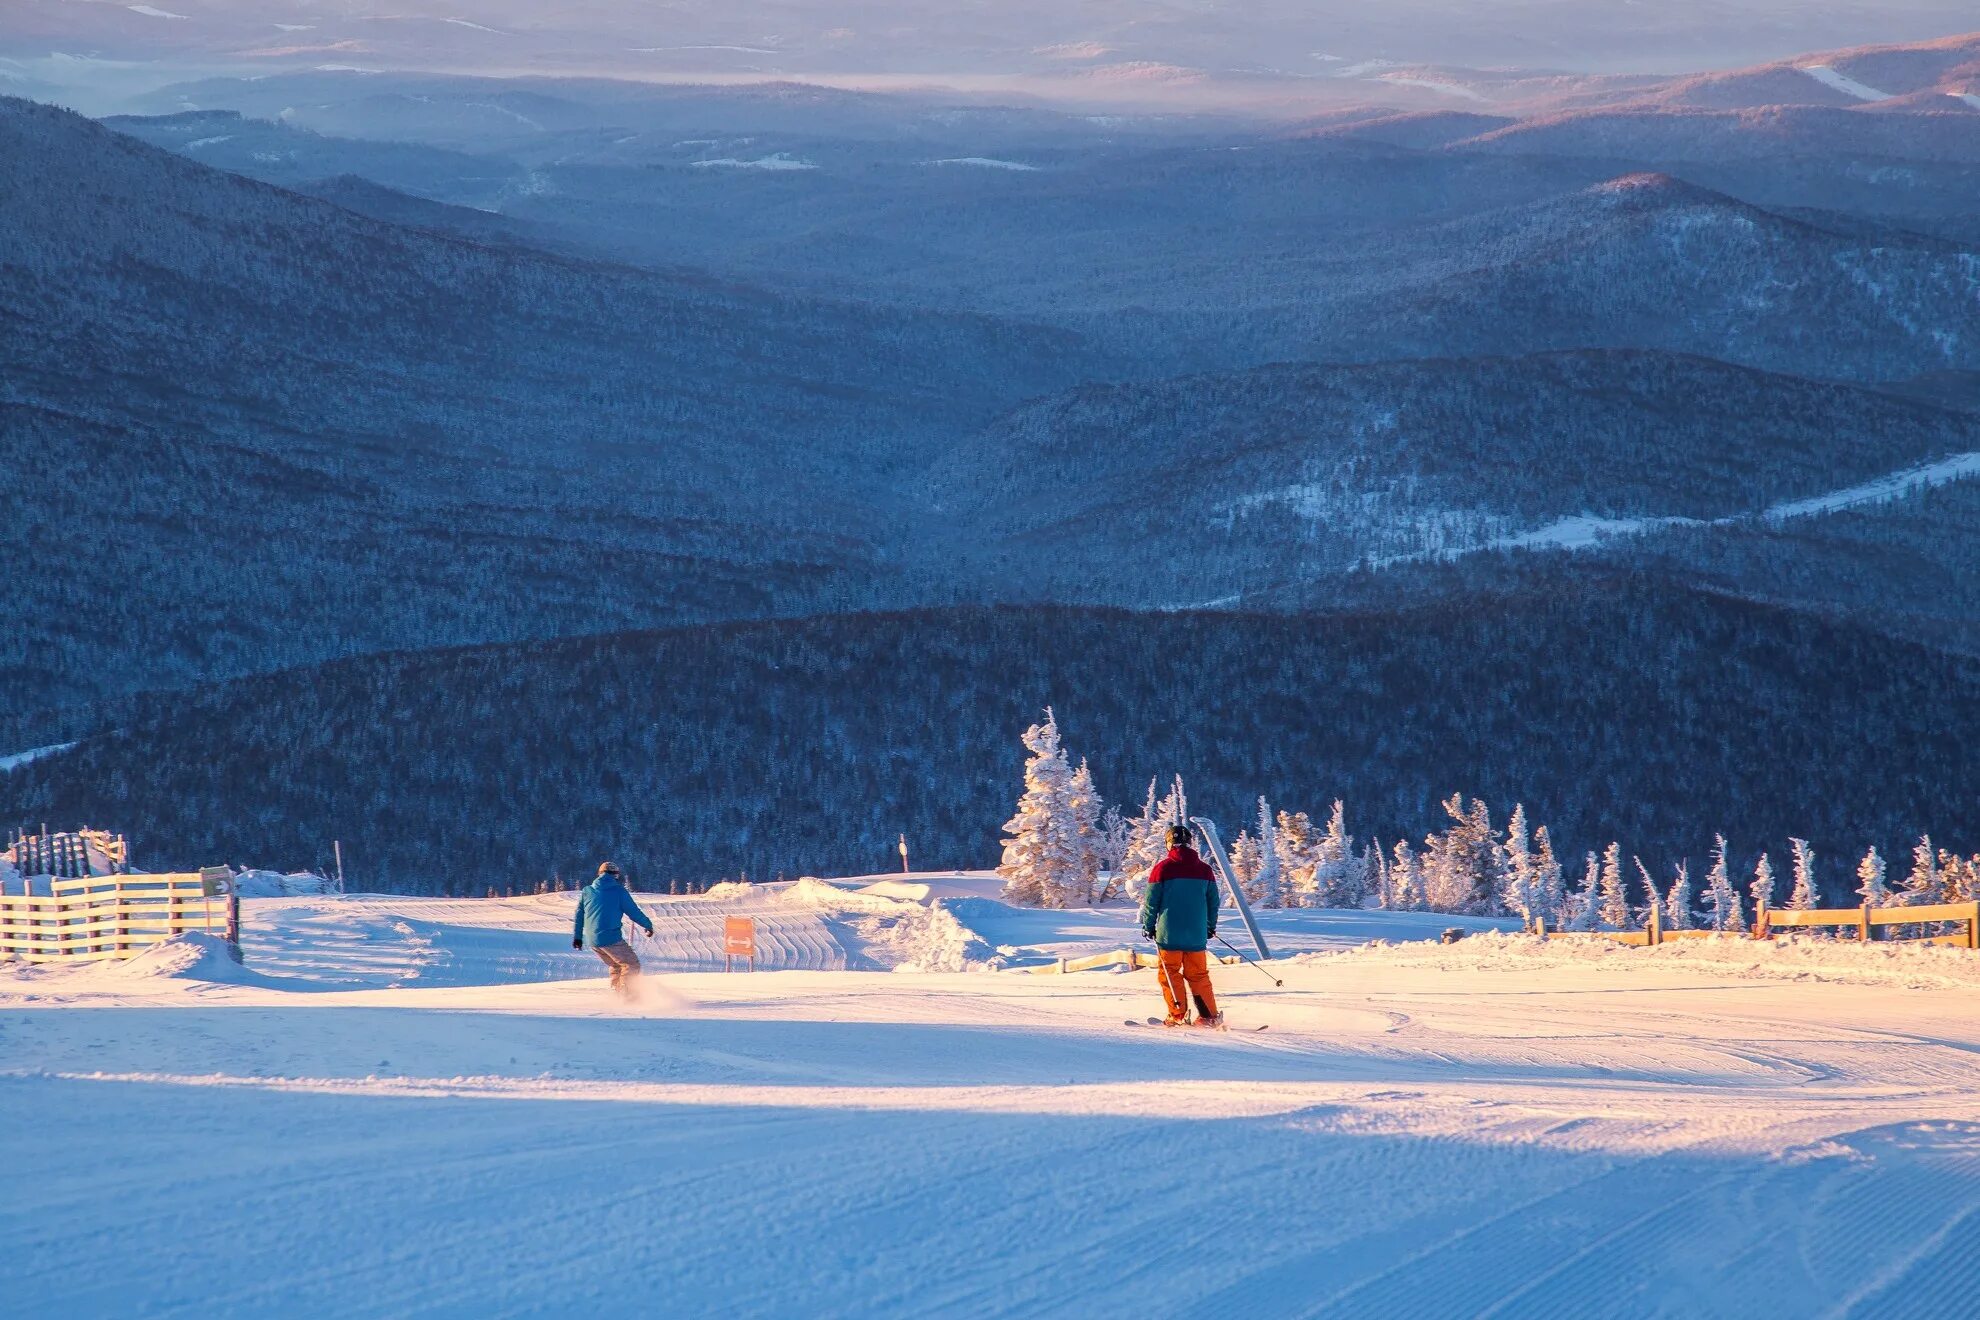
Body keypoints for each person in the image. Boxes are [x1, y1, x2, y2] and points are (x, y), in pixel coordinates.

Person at [1139, 824, 1223, 1027]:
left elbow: (1152, 902)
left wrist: (1148, 926)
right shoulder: (1205, 870)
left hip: (1169, 935)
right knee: (1198, 975)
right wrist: (1210, 926)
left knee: (1170, 973)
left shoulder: (1162, 869)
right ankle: (1208, 1016)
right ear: (1190, 843)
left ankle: (1178, 1015)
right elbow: (1213, 902)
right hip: (1196, 935)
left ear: (1169, 844)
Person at [572, 861, 654, 1000]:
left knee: (617, 965)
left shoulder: (587, 891)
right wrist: (647, 925)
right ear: (615, 875)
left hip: (592, 940)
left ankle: (617, 996)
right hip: (610, 938)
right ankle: (628, 997)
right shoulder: (618, 891)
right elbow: (633, 911)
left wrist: (578, 937)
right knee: (631, 964)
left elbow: (579, 915)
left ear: (599, 874)